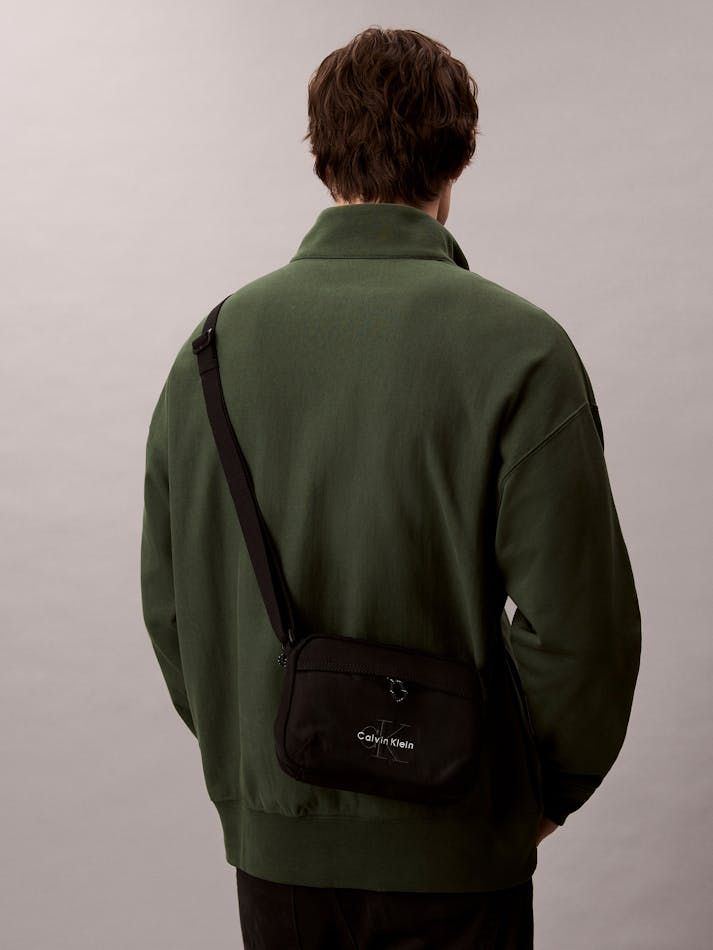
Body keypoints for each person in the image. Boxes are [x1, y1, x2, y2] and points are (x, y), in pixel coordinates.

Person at [140, 26, 641, 949]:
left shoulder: (210, 349)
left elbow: (176, 608)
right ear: (457, 159)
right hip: (459, 847)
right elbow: (583, 631)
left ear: (321, 158)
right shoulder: (521, 350)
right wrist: (533, 794)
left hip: (278, 852)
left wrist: (268, 781)